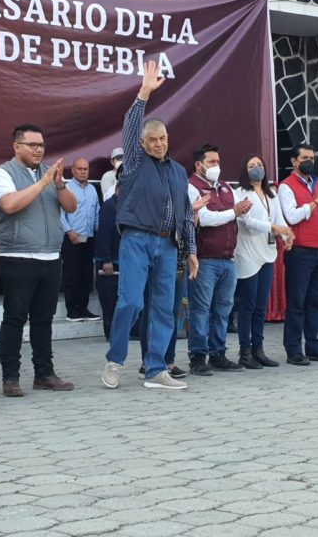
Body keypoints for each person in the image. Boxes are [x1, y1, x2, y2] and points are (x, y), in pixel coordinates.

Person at [101, 60, 197, 391]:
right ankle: (115, 360)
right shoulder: (136, 161)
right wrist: (144, 92)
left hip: (169, 245)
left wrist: (191, 251)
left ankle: (155, 369)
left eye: (163, 138)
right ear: (142, 144)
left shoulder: (179, 172)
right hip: (137, 240)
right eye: (152, 139)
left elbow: (185, 214)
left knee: (163, 308)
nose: (158, 143)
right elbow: (130, 125)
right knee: (131, 302)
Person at [0, 124, 77, 397]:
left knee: (44, 319)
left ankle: (44, 374)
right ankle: (11, 378)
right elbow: (9, 205)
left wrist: (59, 184)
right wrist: (43, 182)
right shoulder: (2, 173)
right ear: (17, 147)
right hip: (17, 256)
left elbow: (72, 207)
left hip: (50, 256)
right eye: (32, 145)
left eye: (41, 145)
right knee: (14, 318)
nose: (39, 150)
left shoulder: (50, 174)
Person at [185, 144, 251, 375]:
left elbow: (236, 219)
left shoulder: (225, 187)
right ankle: (198, 356)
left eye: (218, 161)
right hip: (204, 259)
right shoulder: (192, 187)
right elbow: (205, 219)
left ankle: (218, 354)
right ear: (199, 165)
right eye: (212, 162)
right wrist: (235, 211)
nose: (217, 166)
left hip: (227, 258)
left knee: (223, 309)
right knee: (201, 309)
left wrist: (243, 209)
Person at [277, 144, 318, 365]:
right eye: (304, 158)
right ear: (294, 161)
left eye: (312, 157)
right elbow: (291, 216)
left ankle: (313, 345)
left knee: (316, 301)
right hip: (299, 251)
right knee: (297, 302)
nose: (309, 161)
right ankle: (293, 349)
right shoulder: (286, 186)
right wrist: (315, 202)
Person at [234, 155, 293, 369]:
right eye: (251, 166)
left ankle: (258, 349)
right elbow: (246, 222)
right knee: (248, 305)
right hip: (248, 252)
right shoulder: (240, 193)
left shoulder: (272, 194)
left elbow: (279, 221)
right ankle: (245, 351)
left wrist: (287, 236)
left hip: (268, 252)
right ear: (244, 170)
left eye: (259, 165)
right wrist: (273, 229)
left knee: (261, 306)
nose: (256, 168)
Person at [61, 157, 101, 321]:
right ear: (73, 170)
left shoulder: (92, 189)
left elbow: (97, 213)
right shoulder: (66, 188)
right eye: (80, 169)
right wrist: (69, 231)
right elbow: (60, 214)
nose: (83, 172)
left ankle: (83, 308)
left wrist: (98, 234)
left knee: (86, 275)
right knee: (72, 274)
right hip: (72, 238)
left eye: (85, 169)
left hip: (89, 237)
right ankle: (72, 310)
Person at [95, 164, 123, 341]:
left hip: (125, 262)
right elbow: (104, 234)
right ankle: (111, 334)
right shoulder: (109, 206)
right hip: (109, 263)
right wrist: (106, 259)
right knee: (109, 302)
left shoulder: (129, 206)